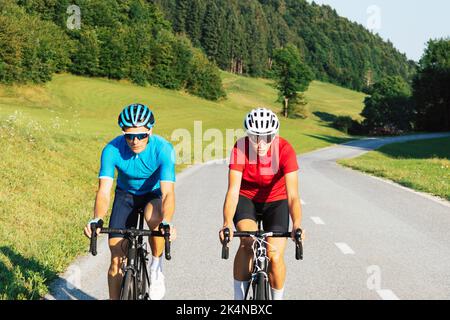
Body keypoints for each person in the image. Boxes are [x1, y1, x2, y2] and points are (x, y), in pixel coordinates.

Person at [83, 103, 176, 300]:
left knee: (155, 219)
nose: (135, 141)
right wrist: (97, 218)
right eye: (129, 135)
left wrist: (167, 222)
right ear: (122, 133)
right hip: (125, 195)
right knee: (116, 255)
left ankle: (156, 267)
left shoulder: (163, 149)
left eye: (141, 135)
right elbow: (104, 191)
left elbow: (168, 193)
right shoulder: (111, 150)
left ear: (150, 131)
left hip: (152, 194)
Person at [220, 107, 304, 300]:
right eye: (254, 137)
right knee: (247, 242)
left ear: (274, 135)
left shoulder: (285, 150)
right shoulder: (240, 148)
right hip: (246, 199)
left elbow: (292, 196)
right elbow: (233, 191)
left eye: (266, 137)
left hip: (276, 201)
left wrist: (297, 224)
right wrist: (226, 223)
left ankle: (277, 298)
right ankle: (238, 301)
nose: (260, 143)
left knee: (274, 255)